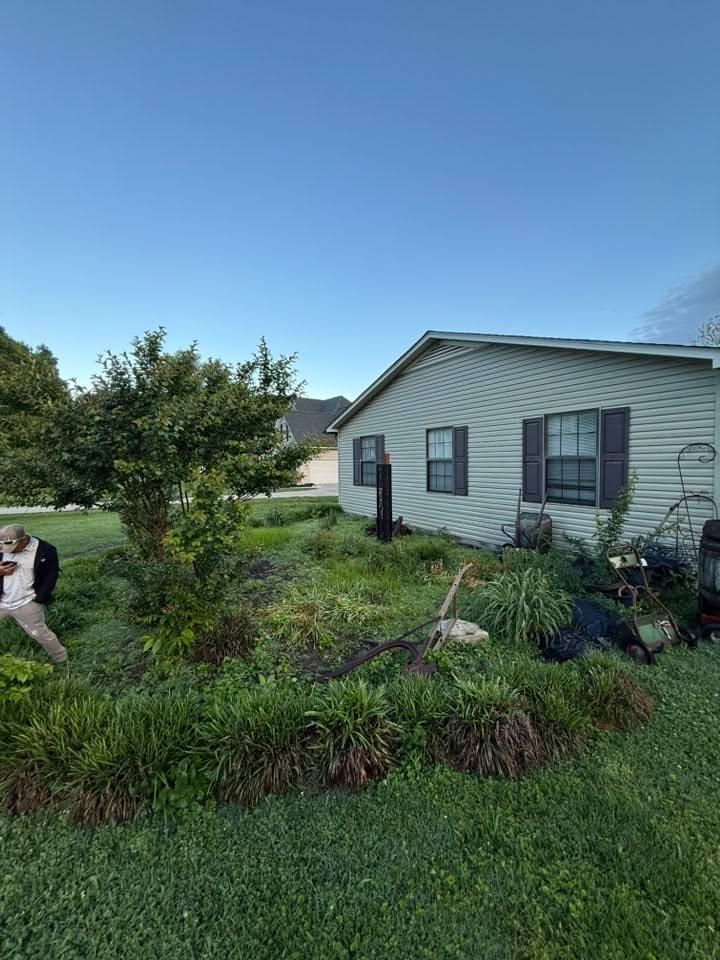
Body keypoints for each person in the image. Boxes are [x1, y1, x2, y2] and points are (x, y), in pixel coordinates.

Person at [0, 523, 67, 665]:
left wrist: (38, 599)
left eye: (13, 548)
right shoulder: (3, 547)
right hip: (2, 600)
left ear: (23, 540)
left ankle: (61, 659)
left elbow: (51, 575)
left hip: (27, 601)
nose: (8, 551)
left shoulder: (46, 550)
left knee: (40, 634)